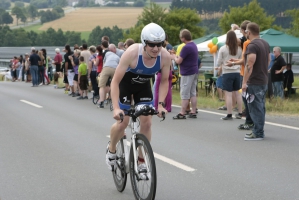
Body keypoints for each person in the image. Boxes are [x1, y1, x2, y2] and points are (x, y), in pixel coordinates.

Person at [105, 23, 171, 173]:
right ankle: (112, 149)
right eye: (152, 44)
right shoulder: (132, 53)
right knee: (122, 123)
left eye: (159, 44)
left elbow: (165, 81)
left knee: (147, 122)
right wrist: (116, 108)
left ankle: (141, 161)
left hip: (143, 86)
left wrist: (160, 105)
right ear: (144, 42)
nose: (155, 48)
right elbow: (115, 81)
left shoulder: (165, 56)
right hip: (125, 85)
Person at [242, 22, 270, 141]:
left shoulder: (252, 45)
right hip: (263, 79)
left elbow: (250, 63)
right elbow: (268, 60)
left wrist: (244, 82)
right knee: (261, 106)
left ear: (248, 32)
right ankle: (259, 130)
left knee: (254, 107)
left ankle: (258, 132)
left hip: (254, 81)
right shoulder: (265, 43)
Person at [170, 29, 198, 119]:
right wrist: (177, 56)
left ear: (183, 38)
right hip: (194, 70)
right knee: (193, 92)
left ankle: (182, 112)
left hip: (187, 72)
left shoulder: (186, 47)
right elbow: (184, 58)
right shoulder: (194, 45)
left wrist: (174, 57)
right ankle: (193, 111)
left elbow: (179, 61)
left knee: (185, 92)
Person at [216, 31, 243, 120]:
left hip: (227, 73)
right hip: (237, 72)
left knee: (228, 94)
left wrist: (220, 66)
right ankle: (240, 112)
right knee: (238, 93)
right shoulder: (239, 49)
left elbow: (218, 61)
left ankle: (229, 114)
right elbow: (241, 60)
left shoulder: (223, 48)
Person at [98, 44, 120, 108]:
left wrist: (101, 72)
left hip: (106, 68)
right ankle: (113, 102)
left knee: (102, 85)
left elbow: (104, 63)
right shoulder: (118, 57)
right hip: (114, 69)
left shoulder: (107, 54)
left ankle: (101, 101)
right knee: (114, 85)